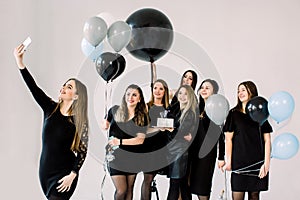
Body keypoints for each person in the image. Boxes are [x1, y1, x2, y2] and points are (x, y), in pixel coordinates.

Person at [13, 44, 89, 200]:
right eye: (64, 85)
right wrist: (20, 63)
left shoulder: (78, 121)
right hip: (45, 174)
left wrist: (73, 175)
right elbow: (33, 87)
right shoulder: (50, 108)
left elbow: (82, 151)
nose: (63, 88)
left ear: (76, 96)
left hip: (64, 176)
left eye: (69, 87)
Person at [223, 81, 272, 200]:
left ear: (252, 91)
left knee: (254, 196)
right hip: (239, 163)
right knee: (237, 196)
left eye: (243, 90)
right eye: (238, 91)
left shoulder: (261, 112)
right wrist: (229, 161)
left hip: (257, 164)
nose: (240, 93)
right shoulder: (233, 114)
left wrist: (266, 164)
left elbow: (267, 140)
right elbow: (228, 139)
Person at [102, 84, 149, 200]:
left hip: (132, 157)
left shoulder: (141, 117)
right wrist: (104, 124)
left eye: (134, 95)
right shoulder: (114, 110)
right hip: (115, 157)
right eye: (128, 94)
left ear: (139, 99)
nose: (130, 97)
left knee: (129, 190)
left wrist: (119, 141)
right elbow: (105, 125)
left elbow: (140, 140)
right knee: (121, 190)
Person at [189, 79, 225, 200]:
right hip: (191, 153)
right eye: (202, 87)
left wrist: (221, 157)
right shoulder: (195, 108)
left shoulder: (217, 109)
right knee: (187, 186)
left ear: (214, 92)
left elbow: (221, 136)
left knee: (202, 187)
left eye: (207, 88)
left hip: (207, 155)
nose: (203, 90)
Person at [166, 85, 198, 200]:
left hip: (180, 152)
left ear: (190, 96)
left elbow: (181, 133)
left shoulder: (190, 113)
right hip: (171, 151)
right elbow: (177, 133)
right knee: (183, 185)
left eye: (186, 94)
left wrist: (170, 130)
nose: (182, 96)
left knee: (174, 185)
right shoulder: (174, 109)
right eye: (180, 93)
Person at [140, 79, 170, 200]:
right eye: (155, 88)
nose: (157, 91)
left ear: (165, 92)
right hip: (149, 148)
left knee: (154, 178)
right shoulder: (147, 107)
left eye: (161, 88)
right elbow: (143, 130)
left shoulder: (169, 108)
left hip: (163, 148)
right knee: (147, 179)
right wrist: (158, 128)